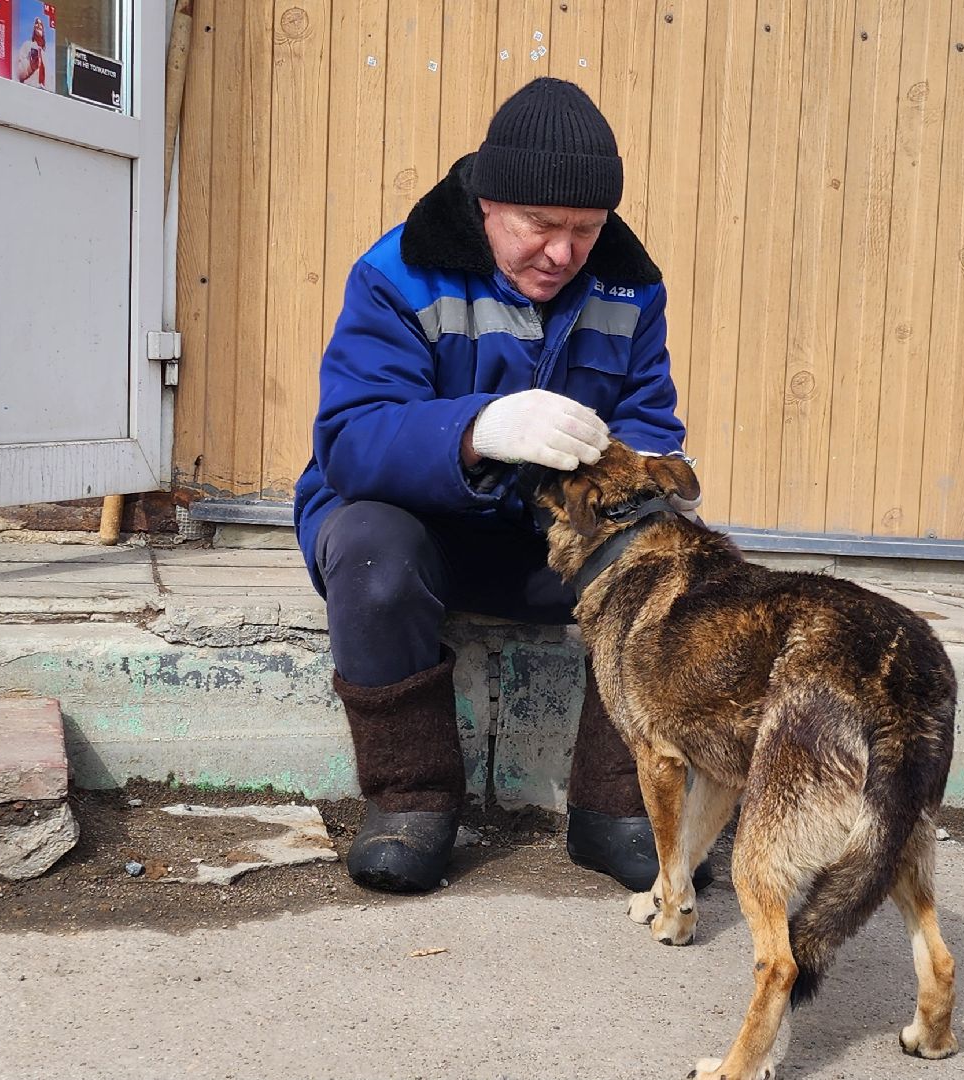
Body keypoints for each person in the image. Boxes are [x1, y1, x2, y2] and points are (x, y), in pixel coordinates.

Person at [294, 78, 701, 895]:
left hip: (542, 540)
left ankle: (617, 808)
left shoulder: (630, 287)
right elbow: (350, 439)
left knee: (675, 565)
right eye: (540, 226)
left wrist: (651, 478)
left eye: (585, 231)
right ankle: (410, 801)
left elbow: (650, 423)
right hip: (416, 532)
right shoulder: (399, 273)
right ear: (485, 203)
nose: (562, 253)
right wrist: (476, 432)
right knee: (371, 553)